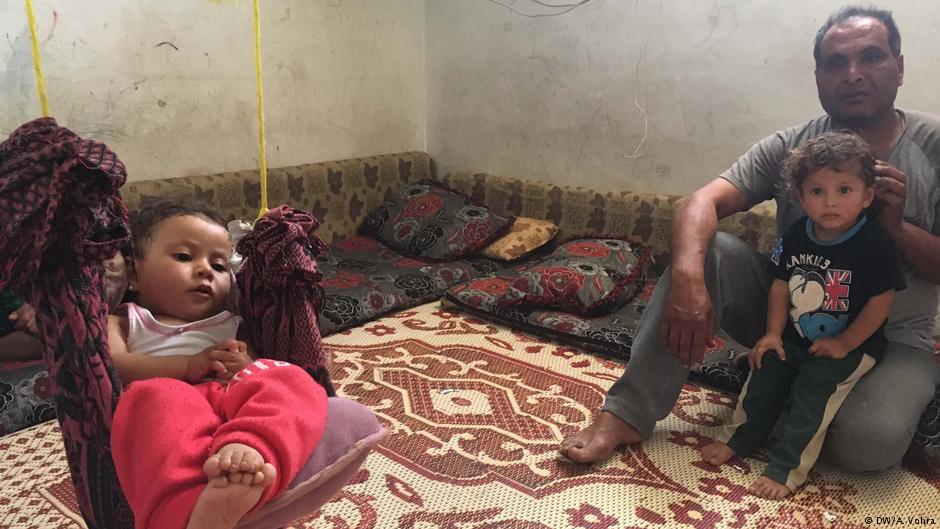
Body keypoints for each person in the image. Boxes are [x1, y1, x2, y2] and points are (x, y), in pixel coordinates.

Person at [560, 5, 940, 476]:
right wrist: (687, 280)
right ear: (819, 75)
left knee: (867, 447)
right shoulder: (796, 147)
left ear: (899, 67)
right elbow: (700, 203)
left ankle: (783, 387)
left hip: (893, 335)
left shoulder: (933, 145)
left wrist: (897, 228)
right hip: (791, 314)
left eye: (872, 57)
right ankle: (626, 412)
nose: (854, 74)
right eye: (836, 63)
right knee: (710, 252)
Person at [699, 132, 905, 499]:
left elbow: (880, 302)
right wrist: (773, 334)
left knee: (814, 391)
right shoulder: (798, 234)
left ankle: (786, 469)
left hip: (854, 344)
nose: (830, 202)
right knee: (765, 370)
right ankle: (740, 437)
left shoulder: (876, 243)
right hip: (795, 334)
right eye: (817, 191)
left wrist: (845, 343)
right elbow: (781, 285)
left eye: (844, 190)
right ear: (800, 196)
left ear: (867, 196)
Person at [107, 202, 328, 529]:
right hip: (171, 411)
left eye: (219, 265)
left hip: (230, 411)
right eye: (184, 257)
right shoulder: (126, 320)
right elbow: (114, 365)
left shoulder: (233, 322)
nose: (205, 270)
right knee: (153, 396)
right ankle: (194, 511)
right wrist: (187, 366)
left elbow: (258, 374)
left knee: (291, 378)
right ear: (135, 275)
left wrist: (243, 364)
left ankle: (250, 447)